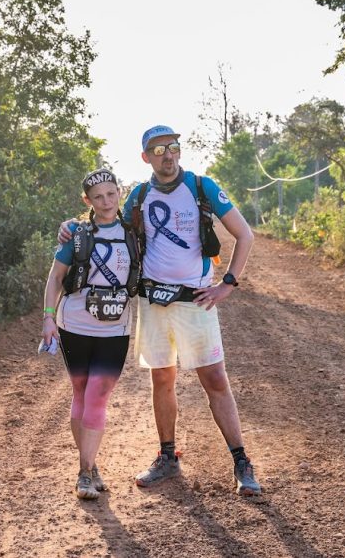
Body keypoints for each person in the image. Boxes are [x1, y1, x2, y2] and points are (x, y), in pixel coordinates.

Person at [59, 125, 261, 496]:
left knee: (215, 381)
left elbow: (245, 234)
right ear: (146, 157)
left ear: (179, 151)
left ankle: (241, 461)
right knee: (162, 380)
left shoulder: (201, 187)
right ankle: (167, 457)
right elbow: (104, 220)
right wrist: (71, 225)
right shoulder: (138, 195)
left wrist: (227, 284)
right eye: (158, 150)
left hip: (195, 301)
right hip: (153, 302)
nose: (167, 154)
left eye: (172, 147)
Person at [42, 168, 140, 500]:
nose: (106, 201)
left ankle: (85, 472)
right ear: (87, 201)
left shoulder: (133, 233)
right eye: (98, 197)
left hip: (117, 327)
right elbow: (55, 278)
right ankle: (89, 466)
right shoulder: (77, 235)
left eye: (111, 194)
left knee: (97, 395)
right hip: (75, 324)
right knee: (81, 393)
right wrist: (48, 318)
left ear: (119, 194)